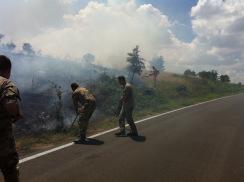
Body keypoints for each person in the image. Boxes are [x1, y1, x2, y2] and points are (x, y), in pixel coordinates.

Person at [0, 55, 22, 182]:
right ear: (8, 70)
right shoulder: (5, 83)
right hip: (2, 142)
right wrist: (16, 114)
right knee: (10, 169)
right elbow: (10, 104)